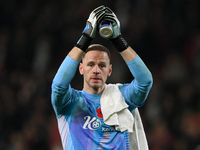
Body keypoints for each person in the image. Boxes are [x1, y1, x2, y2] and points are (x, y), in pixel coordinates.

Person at [51, 5, 153, 150]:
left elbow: (145, 81)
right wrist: (85, 39)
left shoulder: (121, 98)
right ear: (81, 68)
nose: (96, 70)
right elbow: (58, 85)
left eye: (102, 65)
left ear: (109, 70)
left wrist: (118, 40)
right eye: (90, 64)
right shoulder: (70, 103)